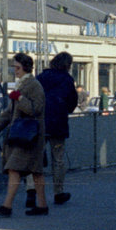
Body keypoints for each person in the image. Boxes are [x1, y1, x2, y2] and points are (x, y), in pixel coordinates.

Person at [0, 52, 49, 217]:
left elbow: (36, 109)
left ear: (26, 68)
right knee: (36, 171)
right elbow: (10, 112)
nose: (15, 71)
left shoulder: (34, 86)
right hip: (26, 137)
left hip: (30, 137)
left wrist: (20, 98)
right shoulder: (22, 84)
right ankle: (42, 206)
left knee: (14, 168)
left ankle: (7, 206)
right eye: (14, 67)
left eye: (17, 67)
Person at [37, 51, 78, 206]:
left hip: (40, 122)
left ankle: (31, 191)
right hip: (58, 124)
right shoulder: (67, 80)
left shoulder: (41, 77)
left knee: (35, 157)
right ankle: (58, 192)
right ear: (67, 65)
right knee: (58, 159)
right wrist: (63, 109)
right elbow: (72, 103)